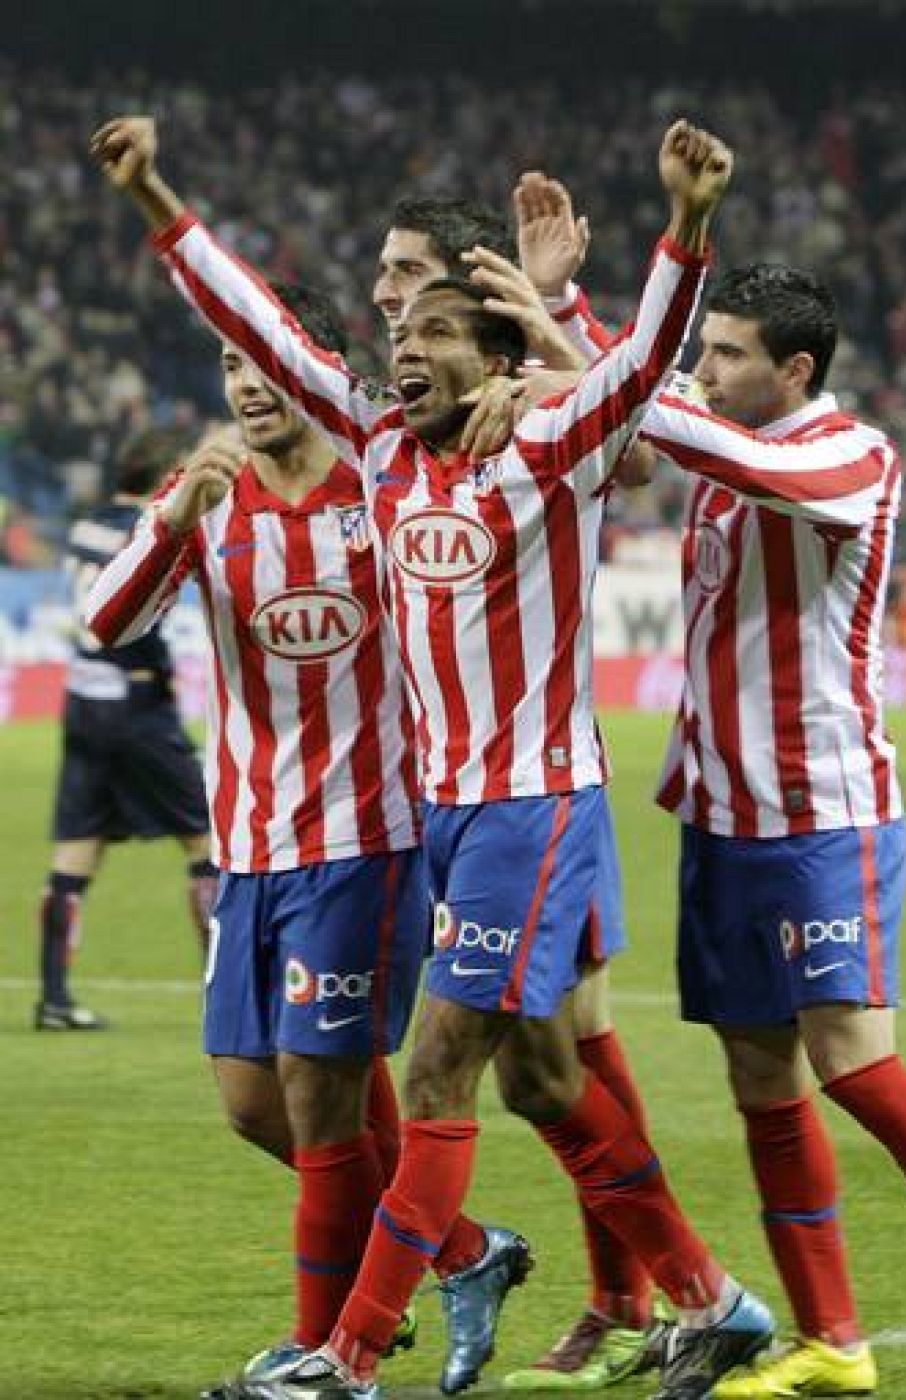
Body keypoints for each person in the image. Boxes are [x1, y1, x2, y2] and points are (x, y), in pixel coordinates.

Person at [95, 111, 803, 1400]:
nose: (397, 350)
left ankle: (346, 1355)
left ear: (492, 353)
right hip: (444, 815)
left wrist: (686, 228)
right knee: (541, 1071)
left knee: (431, 1069)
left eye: (426, 332)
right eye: (393, 336)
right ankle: (714, 1298)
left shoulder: (551, 443)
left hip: (533, 805)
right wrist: (159, 203)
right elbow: (264, 328)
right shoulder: (377, 450)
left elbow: (641, 364)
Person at [529, 216, 906, 1397]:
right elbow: (654, 402)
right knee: (761, 1078)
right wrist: (563, 308)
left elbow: (686, 426)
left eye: (728, 354)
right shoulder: (718, 436)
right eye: (699, 351)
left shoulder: (849, 456)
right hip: (719, 815)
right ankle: (833, 1342)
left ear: (794, 371)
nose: (705, 369)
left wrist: (596, 355)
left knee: (854, 1062)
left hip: (822, 812)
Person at [373, 193, 670, 1389]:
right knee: (548, 1062)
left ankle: (640, 1294)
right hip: (454, 776)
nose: (390, 296)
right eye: (388, 278)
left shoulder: (524, 347)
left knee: (557, 1053)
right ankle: (653, 1292)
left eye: (410, 280)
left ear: (468, 295)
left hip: (535, 770)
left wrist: (545, 335)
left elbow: (641, 448)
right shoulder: (404, 400)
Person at [36, 425, 216, 1031]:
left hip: (83, 702)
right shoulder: (145, 531)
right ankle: (228, 987)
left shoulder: (85, 526)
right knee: (206, 839)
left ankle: (55, 999)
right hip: (138, 706)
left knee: (77, 849)